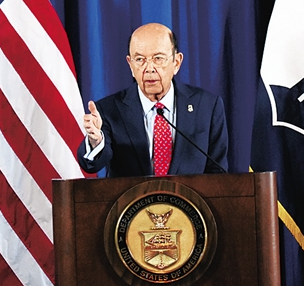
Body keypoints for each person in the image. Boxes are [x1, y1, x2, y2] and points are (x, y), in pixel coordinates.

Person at [77, 23, 229, 177]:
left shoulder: (207, 107)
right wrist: (96, 141)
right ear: (130, 65)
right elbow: (91, 165)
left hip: (190, 194)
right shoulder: (109, 110)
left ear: (176, 63)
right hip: (132, 194)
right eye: (140, 59)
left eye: (158, 59)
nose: (149, 68)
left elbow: (218, 174)